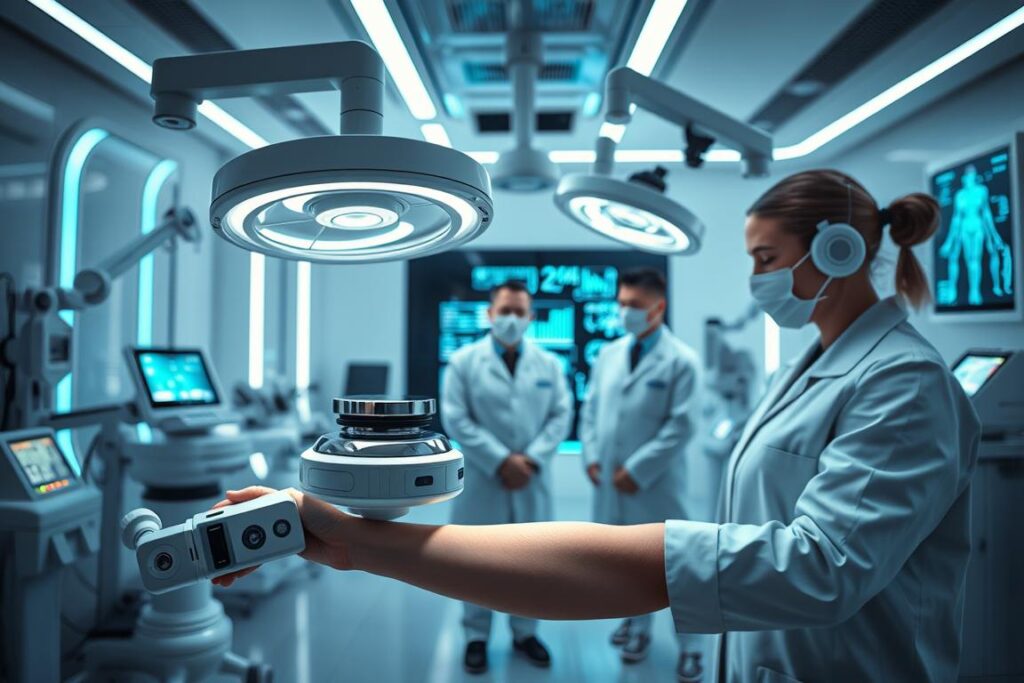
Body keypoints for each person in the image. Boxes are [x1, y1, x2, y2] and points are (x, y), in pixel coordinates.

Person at [213, 170, 980, 683]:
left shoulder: (904, 383)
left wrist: (367, 542)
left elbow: (813, 568)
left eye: (765, 258)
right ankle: (488, 634)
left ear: (838, 250)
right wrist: (362, 540)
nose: (756, 280)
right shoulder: (811, 367)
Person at [440, 280, 573, 674]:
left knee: (532, 561)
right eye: (505, 311)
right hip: (484, 478)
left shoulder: (549, 365)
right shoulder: (463, 362)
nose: (511, 319)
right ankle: (476, 636)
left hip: (531, 478)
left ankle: (525, 632)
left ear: (531, 317)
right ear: (489, 314)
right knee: (475, 561)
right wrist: (500, 461)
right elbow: (456, 419)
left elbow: (561, 415)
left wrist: (530, 460)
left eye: (519, 312)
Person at [579, 267, 706, 678]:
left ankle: (693, 648)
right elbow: (591, 410)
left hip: (656, 485)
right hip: (609, 482)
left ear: (658, 307)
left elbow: (682, 426)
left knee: (674, 568)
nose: (625, 312)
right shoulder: (608, 355)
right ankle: (637, 628)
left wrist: (637, 470)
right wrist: (591, 456)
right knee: (626, 564)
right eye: (621, 303)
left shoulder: (682, 361)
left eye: (634, 305)